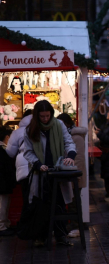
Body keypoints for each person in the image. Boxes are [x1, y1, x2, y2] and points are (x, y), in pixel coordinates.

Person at [21, 100, 78, 247]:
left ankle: (60, 235)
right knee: (41, 205)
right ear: (37, 115)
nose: (45, 119)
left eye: (47, 116)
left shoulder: (59, 125)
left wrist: (70, 156)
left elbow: (69, 142)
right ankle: (40, 236)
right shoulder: (30, 129)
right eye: (42, 116)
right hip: (40, 174)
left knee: (58, 203)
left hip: (56, 172)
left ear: (51, 114)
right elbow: (27, 151)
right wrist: (38, 164)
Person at [0, 126, 16, 236]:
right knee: (2, 205)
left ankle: (4, 224)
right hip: (3, 183)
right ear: (7, 137)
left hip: (4, 183)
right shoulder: (3, 150)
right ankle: (2, 226)